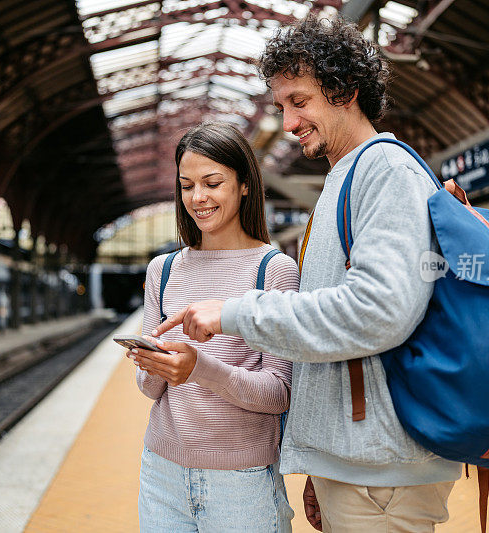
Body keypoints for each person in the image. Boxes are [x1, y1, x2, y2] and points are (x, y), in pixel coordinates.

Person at [153, 16, 461, 532]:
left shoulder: (385, 171)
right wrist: (317, 465)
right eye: (281, 107)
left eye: (300, 101)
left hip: (380, 474)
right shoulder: (345, 178)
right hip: (356, 465)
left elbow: (378, 311)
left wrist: (232, 313)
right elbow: (326, 341)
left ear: (346, 91)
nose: (290, 121)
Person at [128, 122, 300, 532]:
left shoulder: (273, 271)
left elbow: (280, 393)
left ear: (244, 185)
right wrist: (151, 365)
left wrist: (198, 368)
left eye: (212, 182)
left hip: (242, 482)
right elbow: (149, 388)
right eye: (186, 185)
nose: (198, 198)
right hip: (161, 473)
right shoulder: (163, 271)